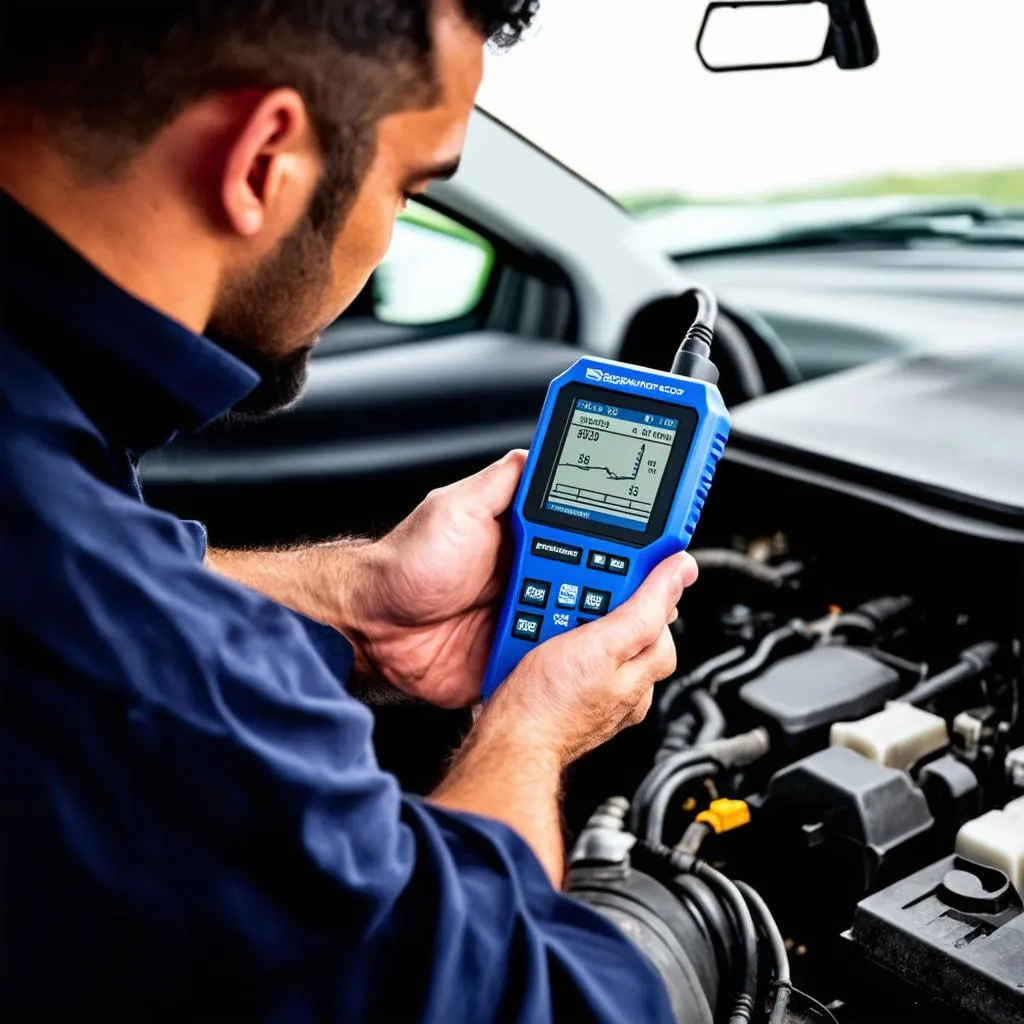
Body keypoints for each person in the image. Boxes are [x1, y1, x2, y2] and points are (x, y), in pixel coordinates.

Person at [0, 2, 699, 1020]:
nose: (389, 234)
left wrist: (354, 598)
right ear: (262, 159)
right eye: (411, 189)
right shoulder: (149, 679)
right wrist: (529, 732)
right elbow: (518, 995)